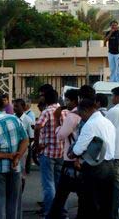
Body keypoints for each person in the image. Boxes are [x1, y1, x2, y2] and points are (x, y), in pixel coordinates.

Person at [68, 98, 119, 219]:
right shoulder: (107, 122)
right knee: (105, 203)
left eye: (81, 114)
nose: (81, 118)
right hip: (110, 166)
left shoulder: (90, 125)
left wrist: (73, 154)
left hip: (95, 168)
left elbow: (78, 150)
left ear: (86, 111)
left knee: (89, 204)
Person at [49, 89, 83, 219]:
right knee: (81, 192)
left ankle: (56, 215)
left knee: (61, 194)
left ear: (74, 101)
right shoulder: (84, 115)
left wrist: (57, 119)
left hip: (70, 158)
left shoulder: (72, 115)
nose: (65, 102)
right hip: (81, 158)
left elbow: (61, 135)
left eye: (67, 100)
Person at [34, 89, 66, 217]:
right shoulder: (65, 110)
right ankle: (60, 212)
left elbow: (37, 127)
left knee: (48, 185)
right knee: (59, 184)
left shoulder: (47, 111)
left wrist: (37, 145)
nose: (40, 98)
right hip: (62, 152)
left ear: (46, 98)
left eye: (42, 96)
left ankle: (49, 213)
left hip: (48, 152)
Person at [0, 95, 29, 219]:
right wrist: (17, 157)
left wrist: (8, 155)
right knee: (14, 203)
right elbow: (25, 140)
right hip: (15, 168)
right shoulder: (14, 119)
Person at [13, 99, 34, 192]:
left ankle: (20, 191)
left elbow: (31, 136)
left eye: (17, 106)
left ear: (23, 107)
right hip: (13, 148)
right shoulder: (12, 118)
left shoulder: (28, 120)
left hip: (23, 150)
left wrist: (25, 146)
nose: (14, 108)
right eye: (14, 106)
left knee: (21, 171)